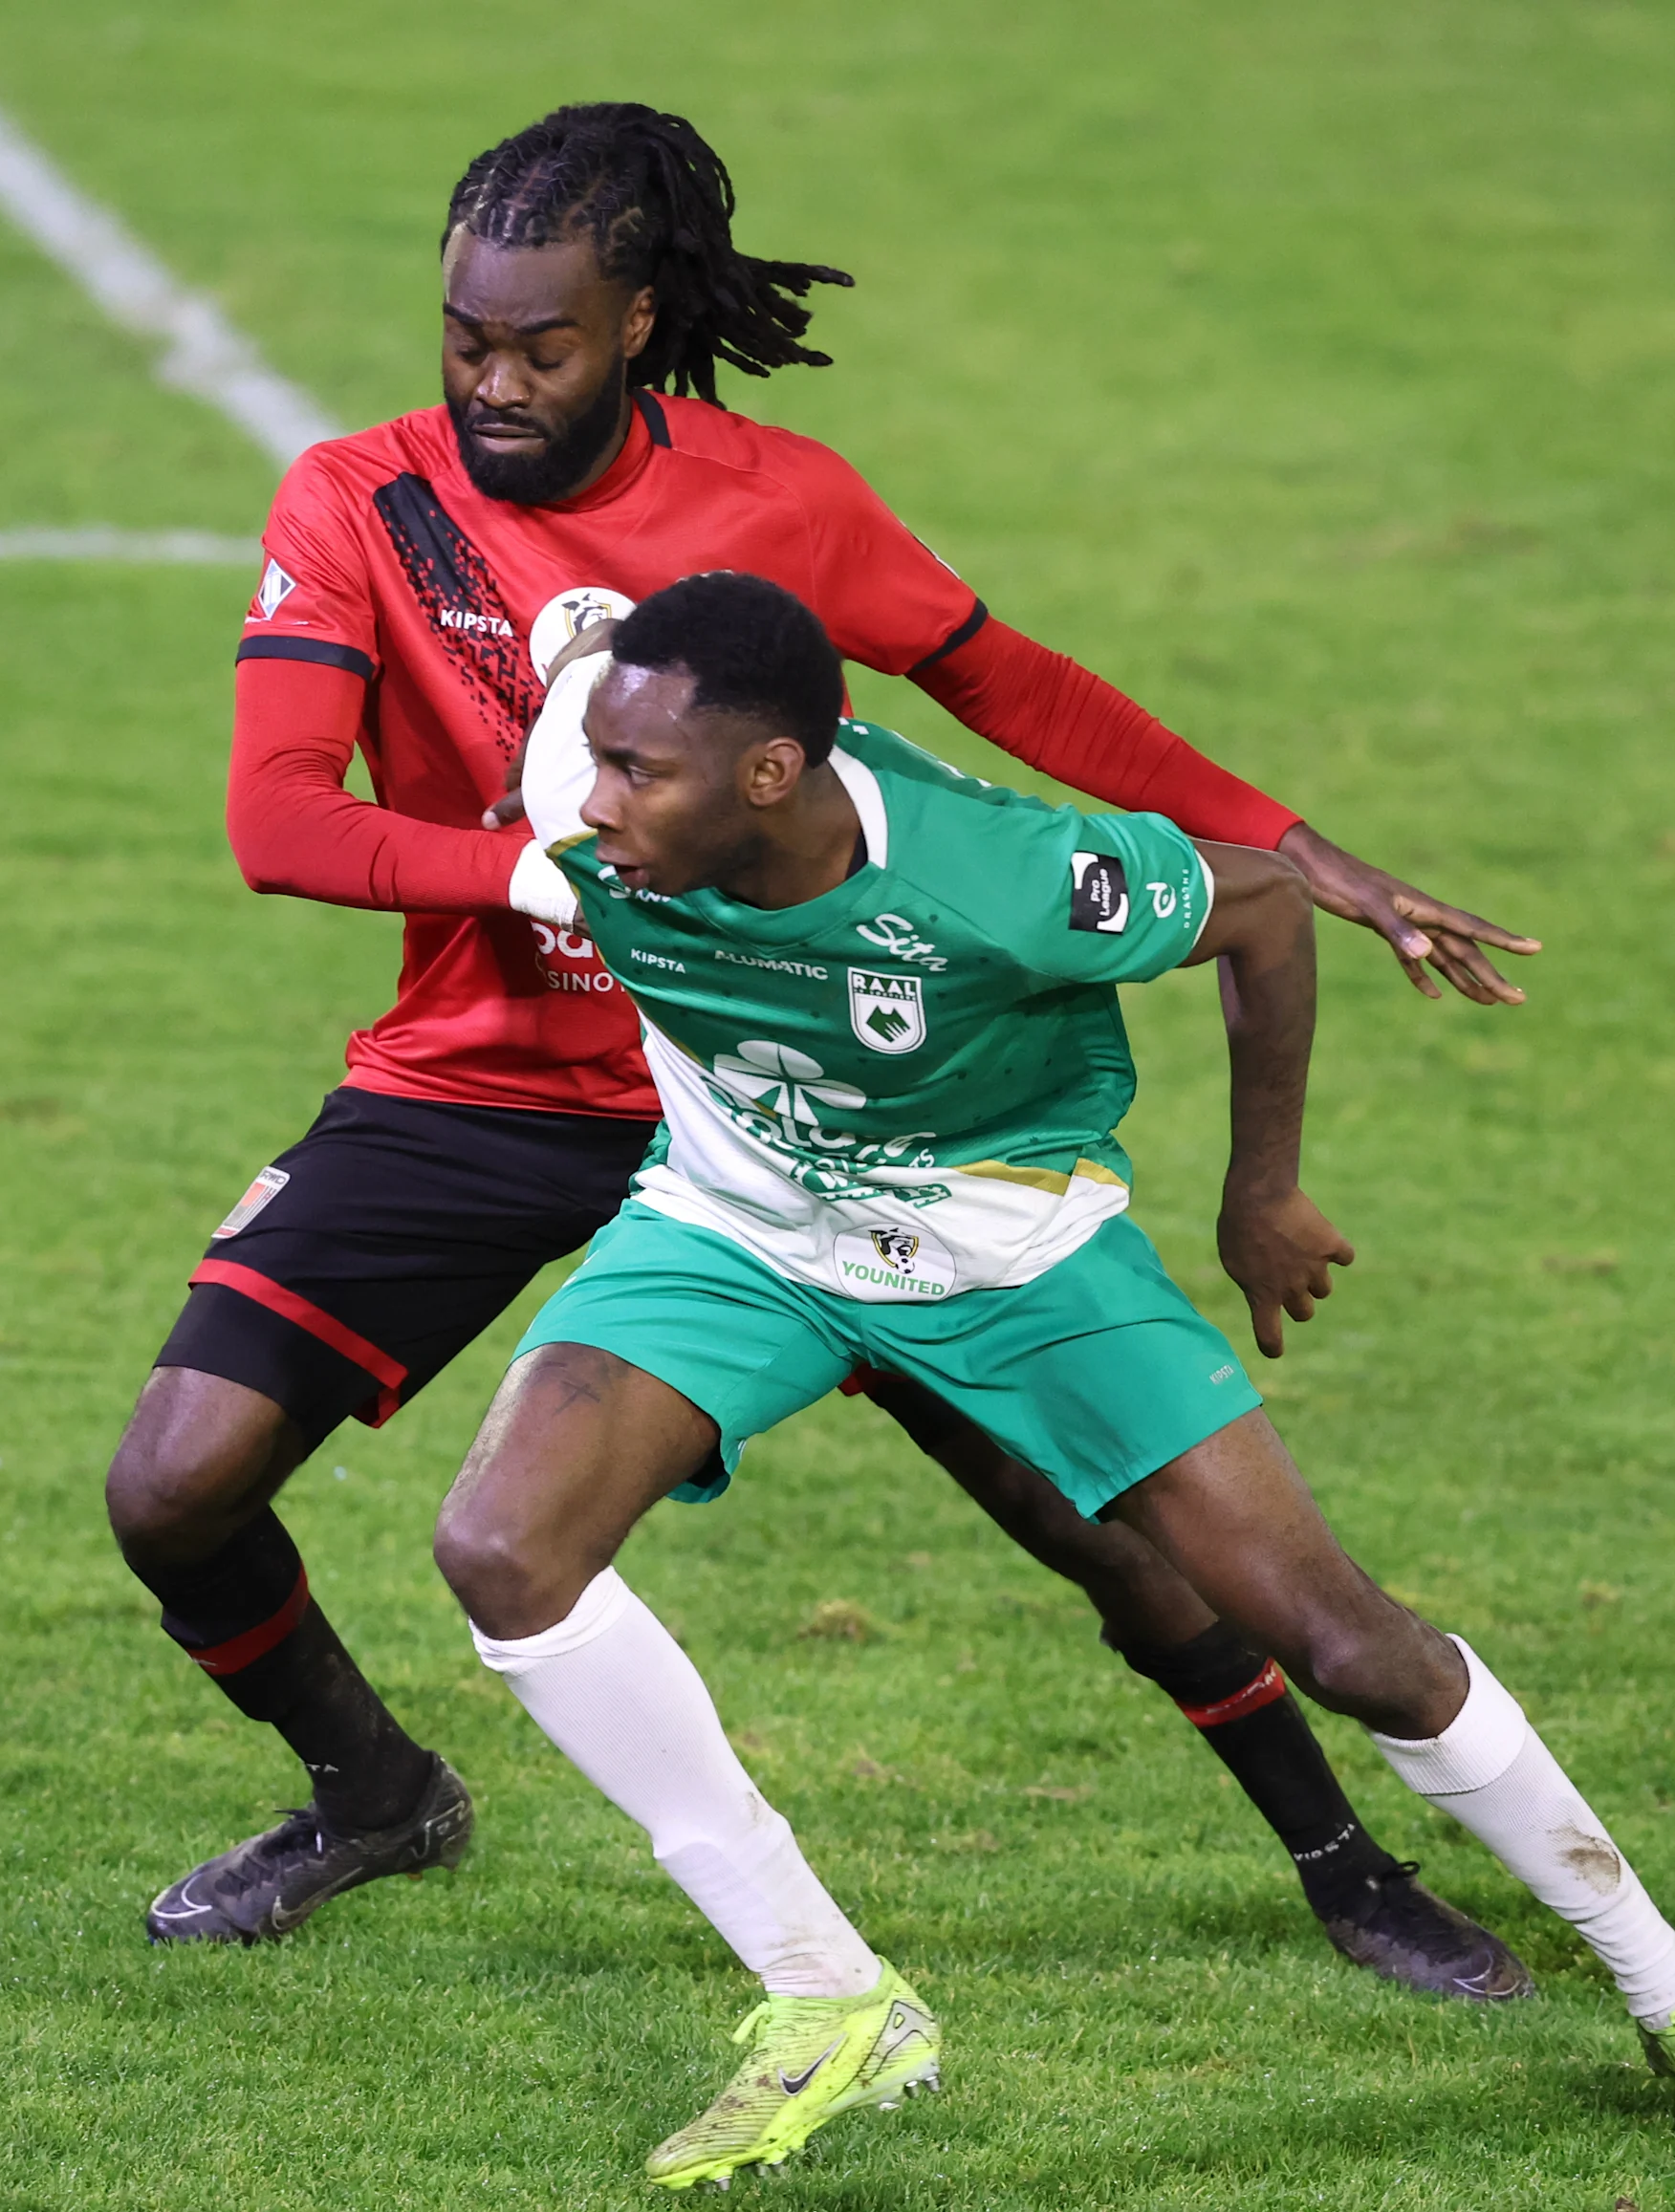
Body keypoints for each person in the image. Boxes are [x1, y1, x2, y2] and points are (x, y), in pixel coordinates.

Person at [112, 101, 1538, 1997]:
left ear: (636, 322)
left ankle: (1348, 1861)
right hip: (481, 1077)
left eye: (540, 345)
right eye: (464, 335)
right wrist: (547, 884)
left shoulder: (780, 506)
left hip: (805, 1102)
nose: (491, 379)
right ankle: (373, 1791)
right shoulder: (357, 502)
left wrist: (1283, 844)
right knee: (174, 1481)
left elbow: (1005, 681)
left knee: (1089, 1515)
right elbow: (279, 822)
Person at [434, 570, 1675, 2186]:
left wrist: (1262, 1193)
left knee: (1345, 1640)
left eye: (639, 775)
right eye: (595, 761)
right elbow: (570, 647)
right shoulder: (584, 770)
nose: (592, 804)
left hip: (1009, 1241)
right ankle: (827, 1997)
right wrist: (570, 717)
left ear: (771, 775)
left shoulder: (1004, 877)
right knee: (504, 1548)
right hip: (743, 1219)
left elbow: (1255, 906)